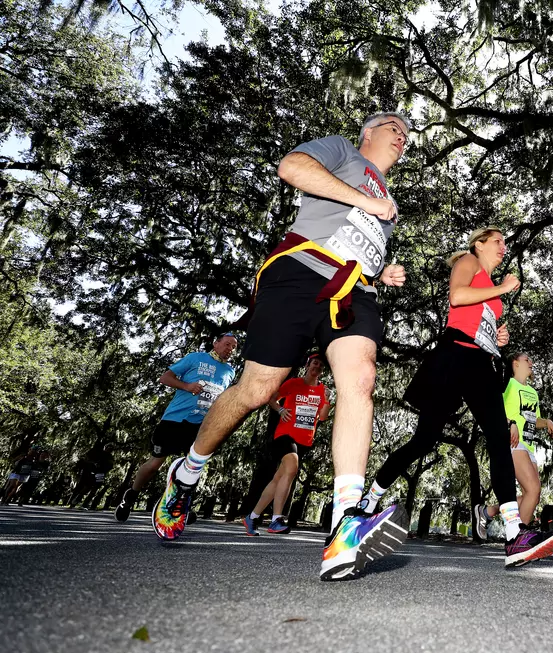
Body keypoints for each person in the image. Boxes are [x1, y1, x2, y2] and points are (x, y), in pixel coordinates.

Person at [153, 112, 412, 582]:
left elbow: (357, 238)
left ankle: (346, 522)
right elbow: (291, 167)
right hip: (298, 272)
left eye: (407, 134)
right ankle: (187, 473)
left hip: (354, 291)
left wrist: (381, 271)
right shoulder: (343, 151)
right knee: (256, 389)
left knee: (361, 378)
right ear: (369, 133)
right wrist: (365, 201)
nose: (402, 135)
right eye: (393, 126)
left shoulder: (389, 199)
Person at [363, 227, 553, 568]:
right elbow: (457, 297)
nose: (504, 247)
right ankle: (370, 500)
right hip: (454, 355)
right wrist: (501, 288)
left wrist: (496, 338)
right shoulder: (468, 262)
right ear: (479, 243)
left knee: (500, 437)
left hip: (481, 363)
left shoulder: (491, 286)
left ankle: (514, 534)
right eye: (497, 240)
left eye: (505, 242)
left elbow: (480, 317)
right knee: (423, 441)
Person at [114, 334, 238, 522]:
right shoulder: (195, 358)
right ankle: (130, 496)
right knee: (155, 464)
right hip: (175, 420)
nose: (230, 349)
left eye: (234, 347)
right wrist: (187, 386)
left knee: (192, 467)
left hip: (201, 426)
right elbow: (165, 378)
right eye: (227, 344)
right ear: (216, 343)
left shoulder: (230, 371)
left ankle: (180, 505)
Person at [243, 352, 330, 535]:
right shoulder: (293, 383)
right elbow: (272, 399)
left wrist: (328, 400)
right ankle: (276, 520)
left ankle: (251, 517)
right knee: (292, 466)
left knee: (278, 479)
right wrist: (281, 409)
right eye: (314, 363)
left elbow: (322, 417)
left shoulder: (323, 390)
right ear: (308, 365)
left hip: (304, 439)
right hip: (285, 434)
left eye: (321, 366)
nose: (317, 368)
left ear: (322, 371)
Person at [473, 352, 553, 537]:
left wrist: (547, 422)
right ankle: (519, 539)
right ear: (515, 364)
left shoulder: (533, 393)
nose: (531, 362)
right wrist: (509, 422)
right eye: (526, 359)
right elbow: (493, 408)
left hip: (529, 445)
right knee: (533, 489)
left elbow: (533, 419)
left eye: (531, 359)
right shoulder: (509, 384)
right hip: (512, 442)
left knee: (533, 496)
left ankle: (488, 511)